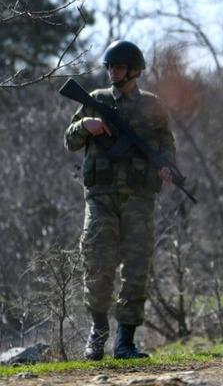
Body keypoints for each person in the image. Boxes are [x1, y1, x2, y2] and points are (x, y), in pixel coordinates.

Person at [64, 40, 176, 360]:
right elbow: (69, 140)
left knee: (137, 269)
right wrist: (85, 125)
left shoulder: (154, 106)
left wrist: (168, 168)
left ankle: (125, 341)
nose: (114, 72)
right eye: (110, 67)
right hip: (100, 199)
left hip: (140, 199)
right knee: (97, 265)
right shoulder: (95, 100)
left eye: (120, 67)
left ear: (135, 70)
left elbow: (166, 146)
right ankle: (97, 334)